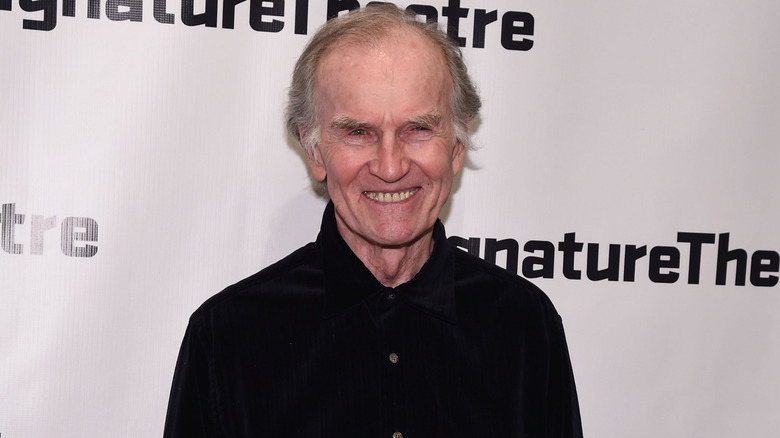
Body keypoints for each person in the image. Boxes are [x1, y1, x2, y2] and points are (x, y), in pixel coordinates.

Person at [164, 4, 582, 437]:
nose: (390, 166)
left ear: (457, 145)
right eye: (357, 132)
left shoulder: (524, 327)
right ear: (313, 151)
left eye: (417, 129)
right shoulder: (227, 337)